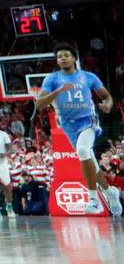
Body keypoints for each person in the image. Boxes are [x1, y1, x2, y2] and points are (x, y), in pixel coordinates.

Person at [37, 44, 121, 215]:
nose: (62, 58)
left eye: (66, 55)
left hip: (89, 120)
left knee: (83, 150)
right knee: (91, 162)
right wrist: (58, 91)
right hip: (68, 124)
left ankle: (93, 199)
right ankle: (110, 192)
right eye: (59, 56)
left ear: (74, 58)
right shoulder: (52, 79)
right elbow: (40, 103)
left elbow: (106, 96)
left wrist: (107, 104)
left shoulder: (88, 77)